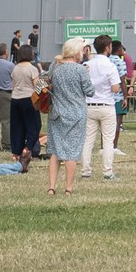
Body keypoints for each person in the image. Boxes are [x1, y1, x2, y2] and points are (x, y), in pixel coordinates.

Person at [44, 38, 93, 195]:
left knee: (55, 151)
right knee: (72, 152)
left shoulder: (55, 66)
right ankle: (68, 188)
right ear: (77, 52)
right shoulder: (80, 70)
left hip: (57, 113)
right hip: (76, 114)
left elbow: (41, 83)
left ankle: (51, 187)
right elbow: (90, 91)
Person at [80, 34, 122, 182]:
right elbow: (116, 88)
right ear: (107, 48)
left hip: (89, 105)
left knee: (87, 140)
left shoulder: (87, 65)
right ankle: (108, 172)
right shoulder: (110, 65)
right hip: (106, 105)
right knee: (108, 141)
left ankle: (85, 171)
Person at [8, 44, 40, 166]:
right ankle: (27, 148)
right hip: (29, 99)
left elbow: (13, 85)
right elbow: (37, 86)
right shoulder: (32, 68)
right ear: (30, 54)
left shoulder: (15, 68)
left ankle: (15, 152)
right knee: (34, 125)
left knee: (17, 126)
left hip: (15, 99)